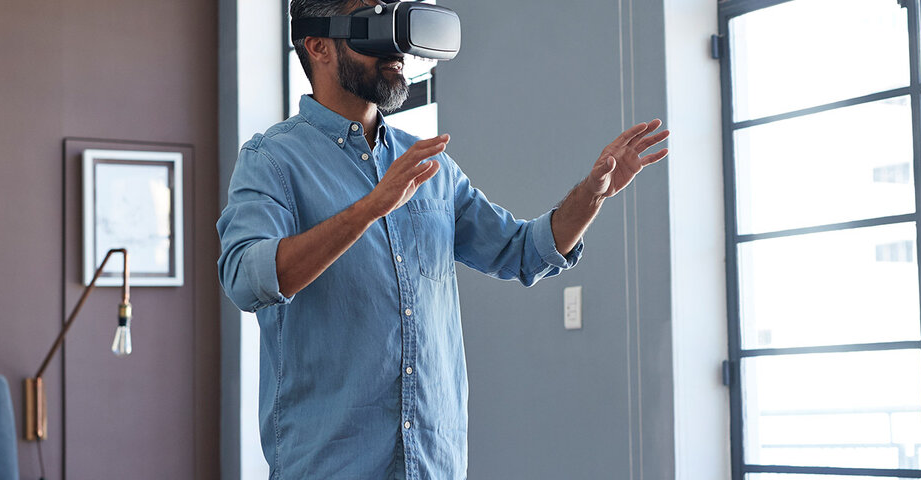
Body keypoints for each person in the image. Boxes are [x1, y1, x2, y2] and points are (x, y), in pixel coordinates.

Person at [216, 1, 670, 478]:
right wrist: (371, 207)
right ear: (318, 46)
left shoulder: (428, 166)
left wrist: (592, 193)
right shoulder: (271, 161)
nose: (394, 48)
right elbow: (247, 280)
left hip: (434, 466)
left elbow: (521, 252)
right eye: (370, 23)